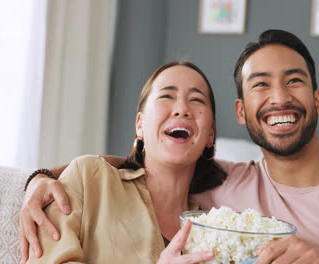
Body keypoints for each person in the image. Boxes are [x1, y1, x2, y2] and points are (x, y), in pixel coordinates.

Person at [21, 30, 319, 264]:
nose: (279, 98)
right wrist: (41, 177)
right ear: (241, 111)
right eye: (260, 85)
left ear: (318, 99)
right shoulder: (226, 190)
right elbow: (147, 167)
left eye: (294, 81)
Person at [22, 61, 228, 263]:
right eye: (166, 96)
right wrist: (36, 178)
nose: (182, 109)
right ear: (140, 125)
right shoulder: (89, 178)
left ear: (210, 133)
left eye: (197, 100)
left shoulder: (214, 229)